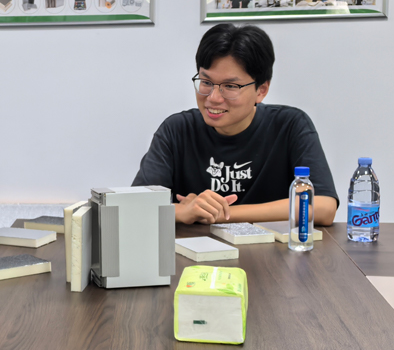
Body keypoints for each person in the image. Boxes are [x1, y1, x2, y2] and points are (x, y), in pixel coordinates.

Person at [132, 24, 339, 226]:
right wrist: (183, 211)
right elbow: (135, 206)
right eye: (206, 82)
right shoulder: (177, 130)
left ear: (261, 90)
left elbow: (323, 207)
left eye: (230, 86)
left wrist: (219, 213)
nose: (213, 98)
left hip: (272, 257)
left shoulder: (290, 125)